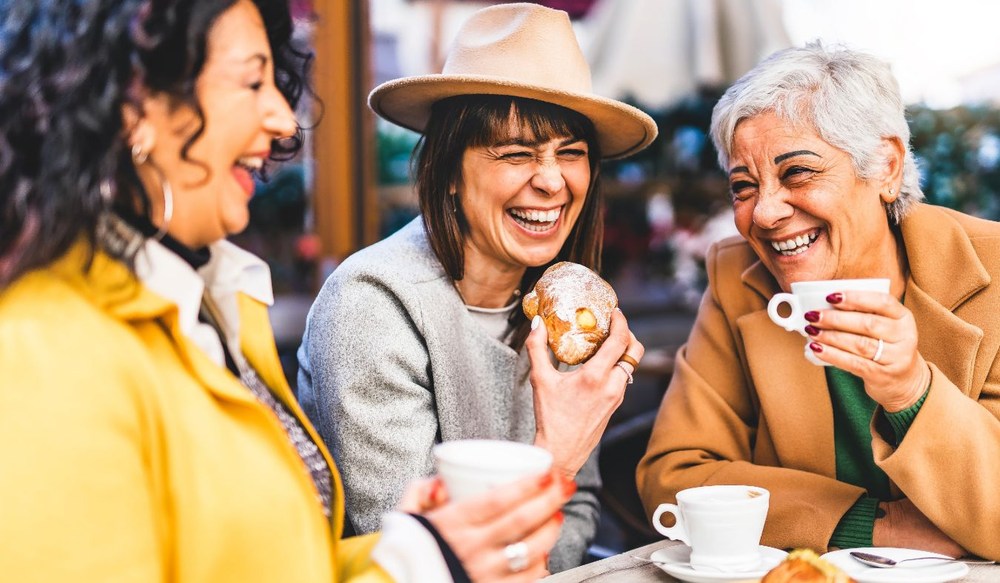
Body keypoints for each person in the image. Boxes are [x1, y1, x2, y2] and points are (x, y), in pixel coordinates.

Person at [0, 1, 575, 581]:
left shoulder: (210, 303)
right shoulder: (45, 353)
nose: (283, 119)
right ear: (133, 105)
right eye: (252, 80)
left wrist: (419, 544)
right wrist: (426, 561)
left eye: (275, 81)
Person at [297, 2, 654, 571]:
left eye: (572, 153)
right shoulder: (371, 305)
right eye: (516, 153)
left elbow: (581, 511)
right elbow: (414, 553)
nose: (552, 180)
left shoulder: (560, 310)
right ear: (449, 170)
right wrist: (556, 456)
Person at [638, 41, 1000, 561]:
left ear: (886, 167)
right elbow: (673, 477)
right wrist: (871, 525)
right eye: (743, 186)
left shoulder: (994, 273)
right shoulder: (739, 277)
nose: (763, 213)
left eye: (798, 172)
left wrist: (911, 392)